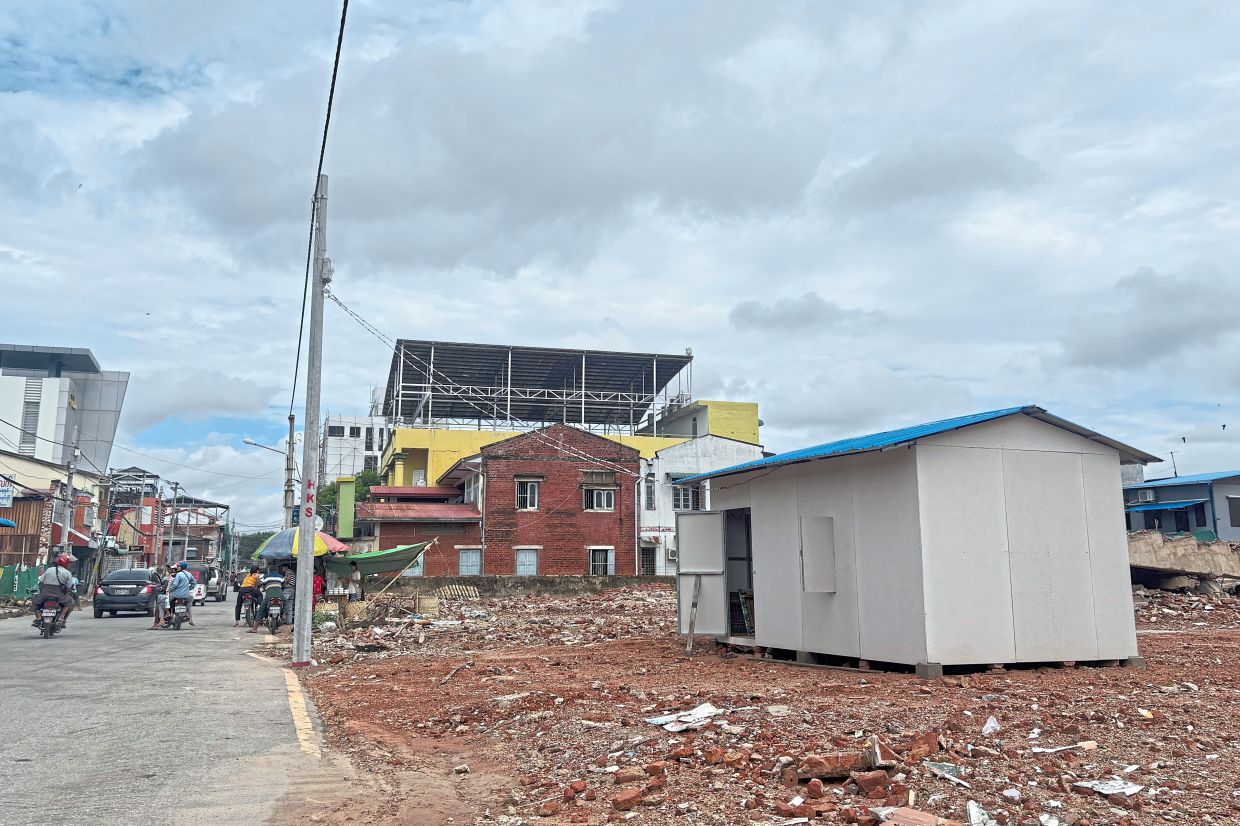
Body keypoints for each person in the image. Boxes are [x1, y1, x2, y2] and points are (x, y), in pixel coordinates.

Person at [32, 554, 76, 626]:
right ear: (67, 563)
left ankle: (38, 618)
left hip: (45, 593)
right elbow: (69, 586)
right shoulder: (67, 573)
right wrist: (66, 592)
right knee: (69, 602)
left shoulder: (49, 570)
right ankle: (61, 617)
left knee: (35, 602)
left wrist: (42, 591)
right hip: (60, 595)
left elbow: (41, 582)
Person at [251, 566, 285, 633]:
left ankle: (254, 628)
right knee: (286, 603)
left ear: (269, 570)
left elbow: (262, 584)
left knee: (261, 610)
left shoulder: (266, 577)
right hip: (280, 595)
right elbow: (283, 584)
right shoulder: (281, 577)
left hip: (269, 595)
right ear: (277, 570)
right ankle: (284, 615)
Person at [166, 561, 196, 627]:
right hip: (186, 595)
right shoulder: (189, 574)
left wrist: (169, 589)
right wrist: (189, 588)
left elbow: (175, 585)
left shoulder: (178, 574)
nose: (177, 567)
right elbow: (194, 583)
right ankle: (189, 616)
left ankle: (167, 614)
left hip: (176, 595)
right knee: (190, 600)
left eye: (178, 566)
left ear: (181, 567)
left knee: (166, 600)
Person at [147, 565, 169, 630]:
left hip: (168, 596)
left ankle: (157, 623)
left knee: (158, 607)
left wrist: (160, 588)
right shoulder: (178, 575)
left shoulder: (168, 578)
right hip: (172, 595)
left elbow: (164, 588)